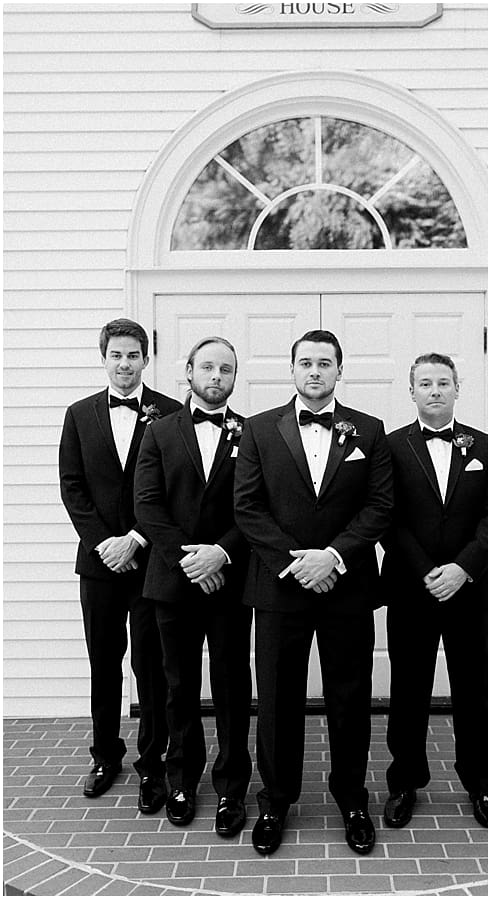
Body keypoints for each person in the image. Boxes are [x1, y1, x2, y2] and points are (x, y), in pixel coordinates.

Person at [233, 329, 393, 856]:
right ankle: (275, 801)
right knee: (278, 699)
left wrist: (334, 557)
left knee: (350, 696)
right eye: (306, 363)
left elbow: (379, 506)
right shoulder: (257, 430)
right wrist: (297, 563)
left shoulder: (369, 431)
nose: (315, 371)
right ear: (292, 370)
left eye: (325, 363)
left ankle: (352, 799)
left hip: (347, 586)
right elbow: (248, 507)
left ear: (340, 371)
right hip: (281, 588)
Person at [380, 353, 488, 831]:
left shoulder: (485, 446)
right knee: (407, 690)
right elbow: (386, 517)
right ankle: (403, 782)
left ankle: (481, 783)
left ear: (458, 388)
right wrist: (426, 572)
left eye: (443, 383)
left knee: (471, 691)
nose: (434, 391)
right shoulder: (390, 447)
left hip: (469, 590)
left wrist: (461, 569)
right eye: (425, 383)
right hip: (411, 591)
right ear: (411, 391)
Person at [58, 318, 182, 812]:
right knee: (104, 663)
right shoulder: (78, 414)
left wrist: (135, 539)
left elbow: (175, 493)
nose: (125, 364)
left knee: (152, 667)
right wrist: (105, 543)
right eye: (117, 355)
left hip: (153, 562)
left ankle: (152, 764)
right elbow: (73, 487)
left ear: (146, 359)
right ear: (104, 358)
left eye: (134, 355)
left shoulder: (170, 413)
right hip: (99, 565)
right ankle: (105, 756)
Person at [133, 336, 251, 836]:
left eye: (226, 369)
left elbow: (255, 506)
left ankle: (232, 789)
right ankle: (179, 779)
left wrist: (219, 552)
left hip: (228, 580)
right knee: (177, 686)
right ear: (188, 371)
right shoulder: (159, 432)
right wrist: (190, 559)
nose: (217, 376)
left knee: (230, 687)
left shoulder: (254, 432)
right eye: (208, 367)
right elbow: (147, 504)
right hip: (174, 581)